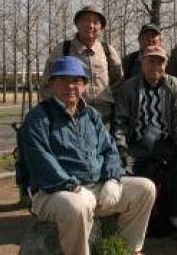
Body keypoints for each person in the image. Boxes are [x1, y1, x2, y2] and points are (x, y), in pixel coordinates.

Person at [21, 56, 156, 255]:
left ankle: (129, 250)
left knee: (145, 189)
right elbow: (40, 160)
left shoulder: (91, 115)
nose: (70, 86)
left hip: (96, 186)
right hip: (54, 192)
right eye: (63, 80)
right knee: (78, 206)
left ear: (84, 85)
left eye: (77, 80)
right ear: (52, 84)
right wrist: (72, 186)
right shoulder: (38, 117)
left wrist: (112, 178)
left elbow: (109, 149)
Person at [114, 45, 177, 232]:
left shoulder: (174, 85)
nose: (156, 67)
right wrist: (122, 148)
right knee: (125, 169)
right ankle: (130, 214)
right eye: (151, 61)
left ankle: (176, 213)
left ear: (166, 65)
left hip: (165, 142)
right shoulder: (129, 88)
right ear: (142, 63)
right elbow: (120, 122)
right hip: (137, 143)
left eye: (160, 62)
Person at [41, 5, 123, 125]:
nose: (91, 25)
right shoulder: (62, 50)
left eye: (96, 22)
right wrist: (60, 112)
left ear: (101, 28)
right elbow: (46, 85)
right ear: (77, 24)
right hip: (71, 118)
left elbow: (119, 84)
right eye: (86, 20)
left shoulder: (108, 51)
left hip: (106, 118)